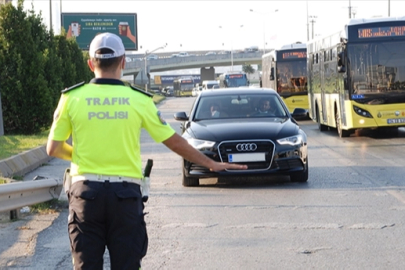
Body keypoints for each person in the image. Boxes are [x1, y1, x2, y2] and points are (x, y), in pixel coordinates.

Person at [46, 32, 247, 270]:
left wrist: (82, 155)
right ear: (123, 62)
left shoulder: (71, 98)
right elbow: (173, 141)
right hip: (125, 197)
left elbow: (53, 148)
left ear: (90, 64)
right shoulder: (139, 100)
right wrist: (211, 164)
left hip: (85, 196)